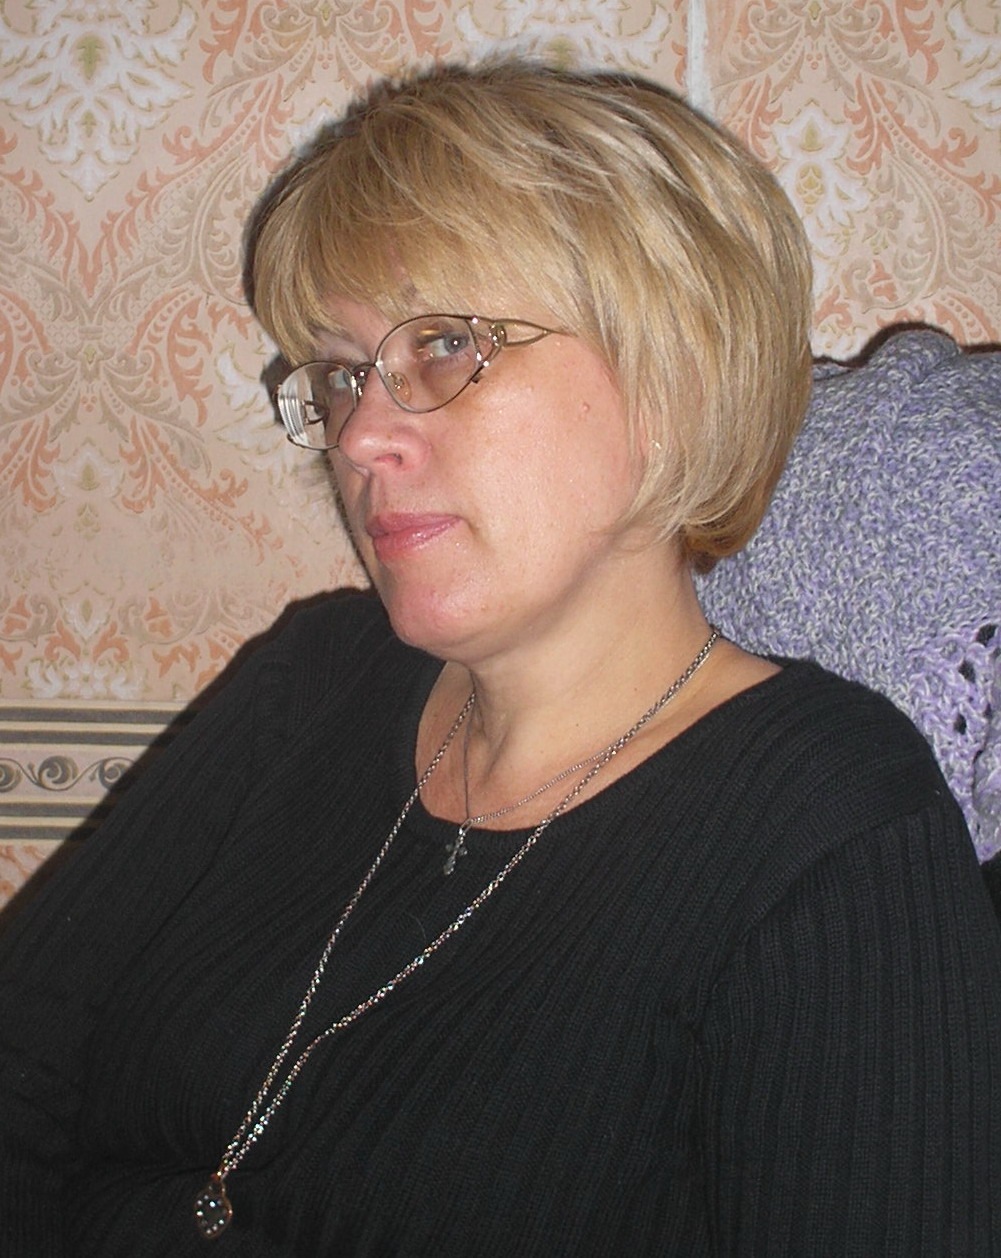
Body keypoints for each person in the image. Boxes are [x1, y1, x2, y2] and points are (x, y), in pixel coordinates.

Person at [2, 58, 1000, 1257]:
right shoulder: (311, 676)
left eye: (443, 345)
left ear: (670, 382)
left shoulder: (829, 824)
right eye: (342, 375)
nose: (360, 437)